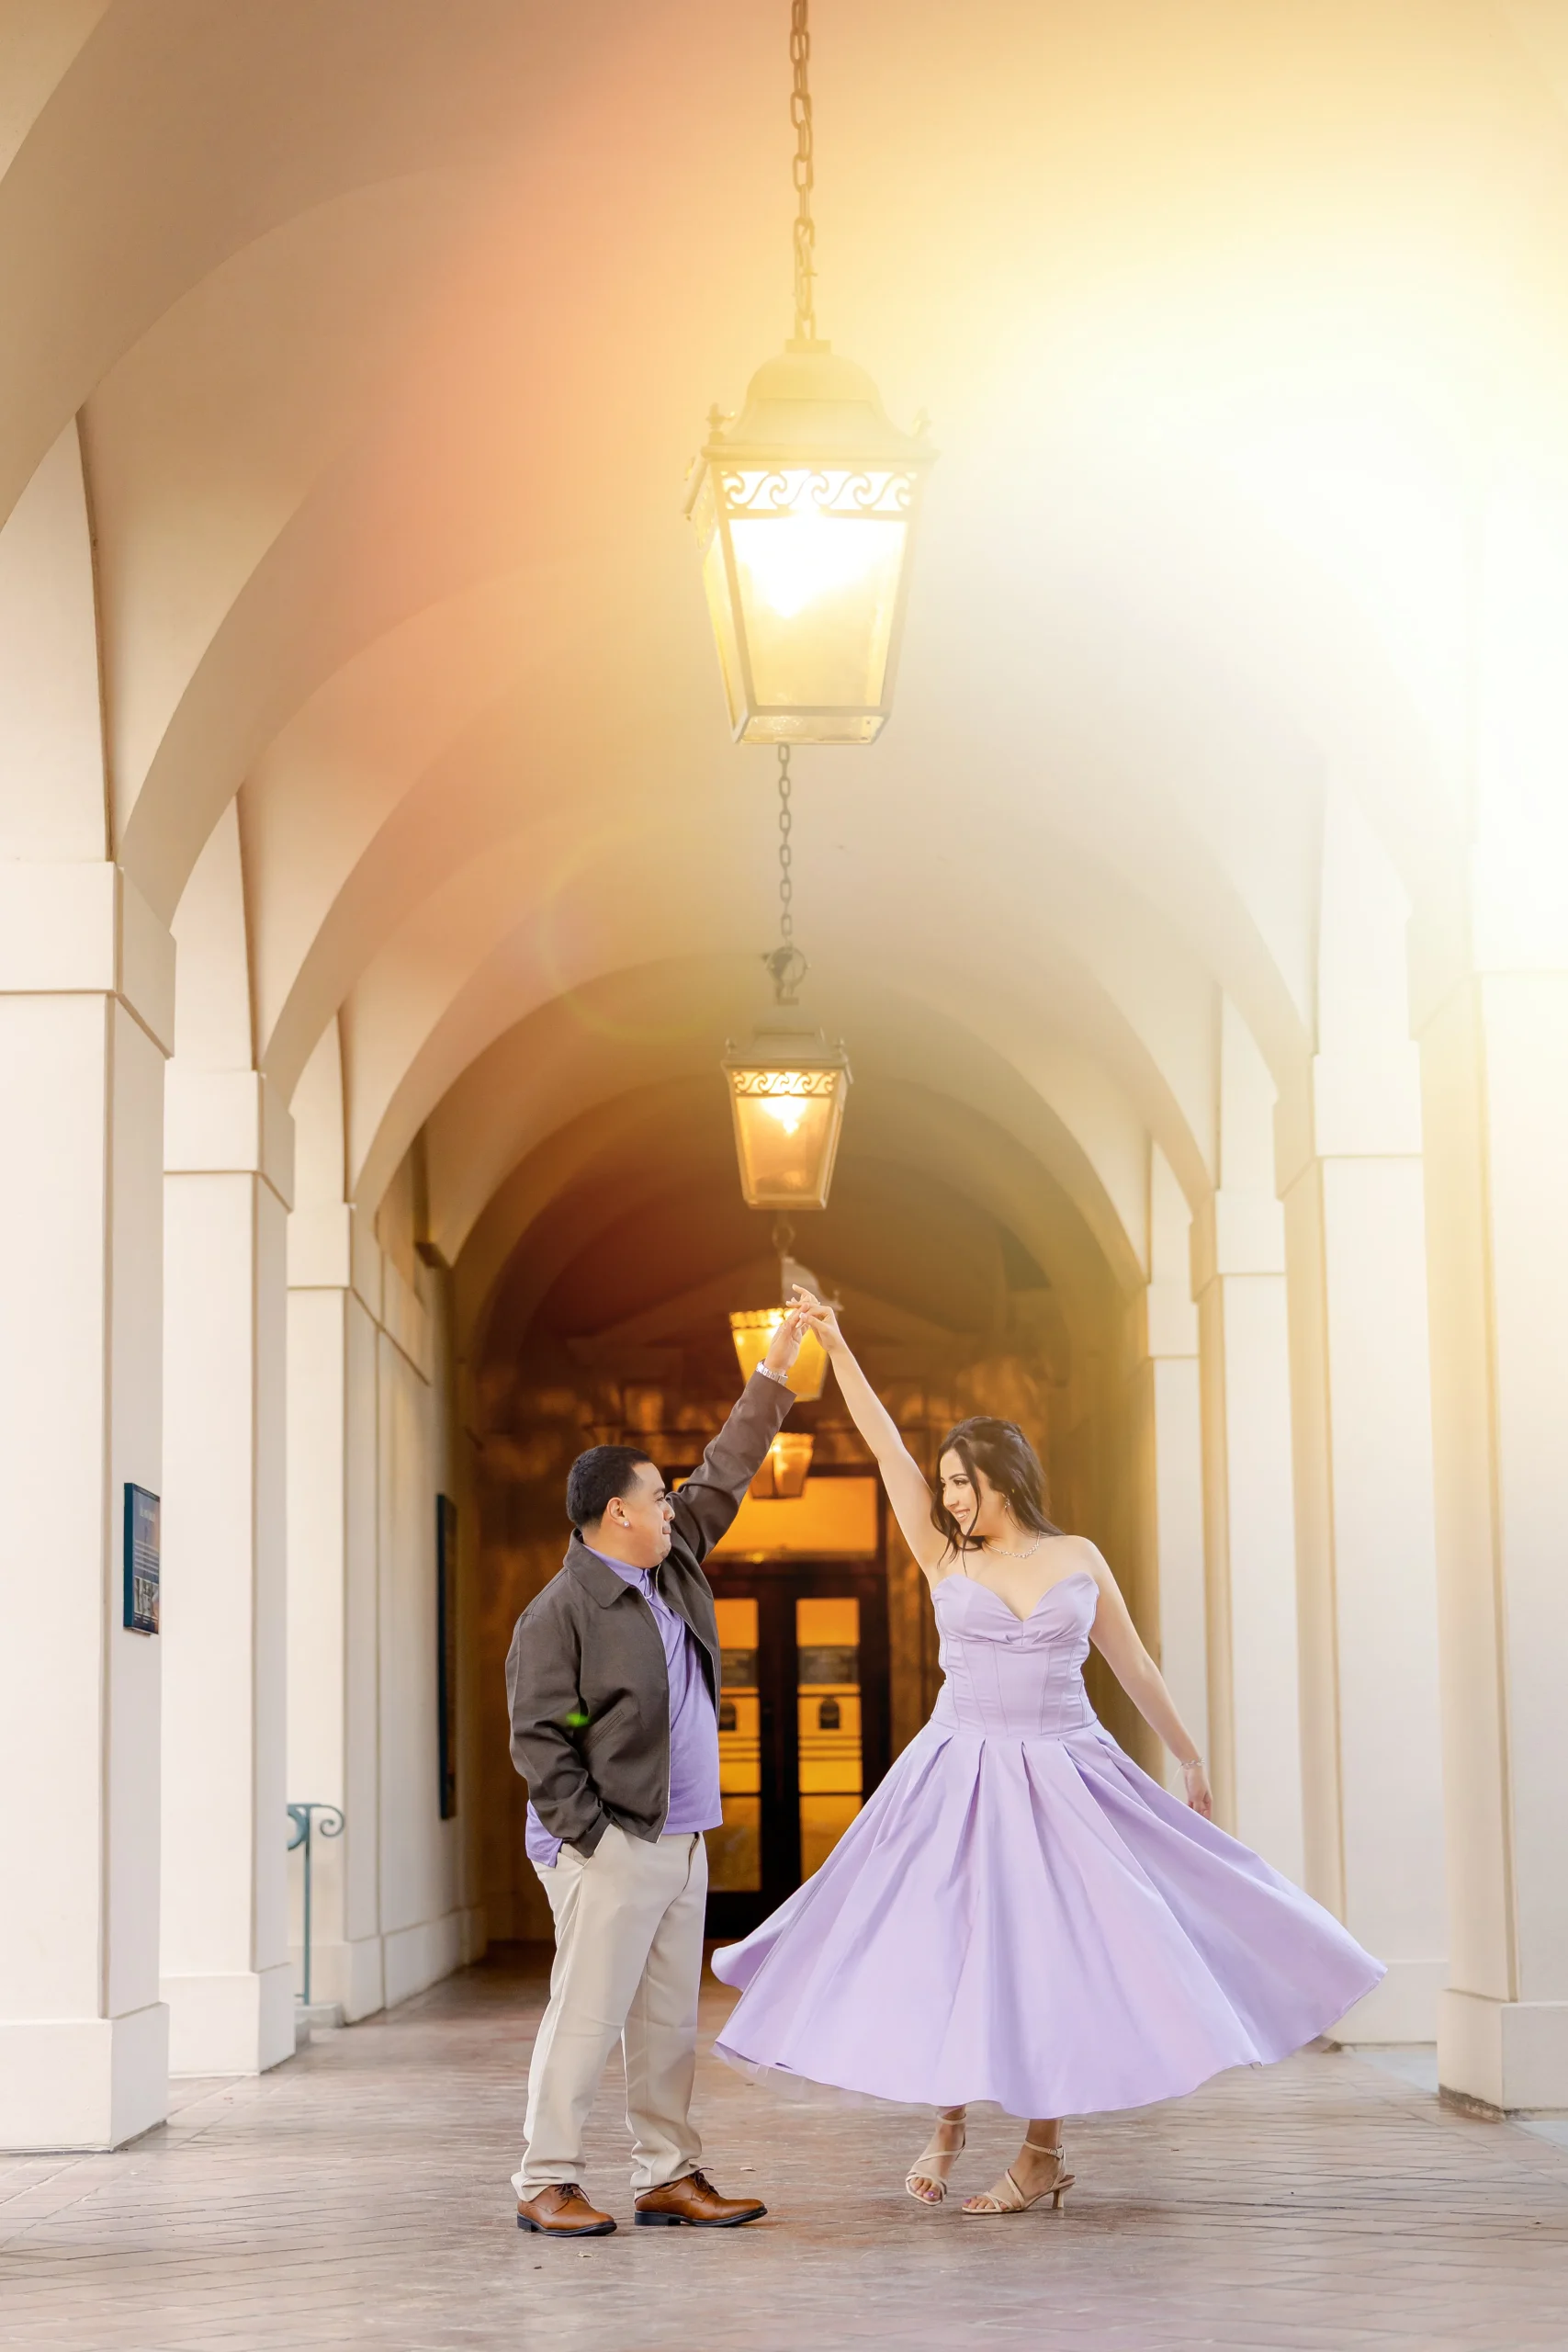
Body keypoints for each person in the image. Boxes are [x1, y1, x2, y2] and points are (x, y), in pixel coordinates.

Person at [711, 1290, 1383, 2218]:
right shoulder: (947, 1557)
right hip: (962, 1770)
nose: (948, 1497)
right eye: (943, 1484)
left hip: (1070, 1768)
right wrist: (836, 1343)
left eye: (962, 1482)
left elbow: (1133, 1659)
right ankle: (947, 2124)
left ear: (1005, 1476)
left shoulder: (1078, 1555)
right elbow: (885, 1448)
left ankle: (1040, 2152)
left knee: (1057, 1953)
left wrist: (1189, 1757)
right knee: (955, 1943)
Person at [506, 1306, 809, 2238]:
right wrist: (593, 1837)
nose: (675, 1505)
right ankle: (546, 2177)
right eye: (657, 1497)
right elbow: (539, 1737)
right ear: (617, 1514)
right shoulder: (559, 1612)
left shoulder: (672, 1564)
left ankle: (666, 2172)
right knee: (586, 2015)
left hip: (682, 1838)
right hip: (611, 1843)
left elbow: (725, 1466)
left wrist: (779, 1365)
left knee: (668, 2022)